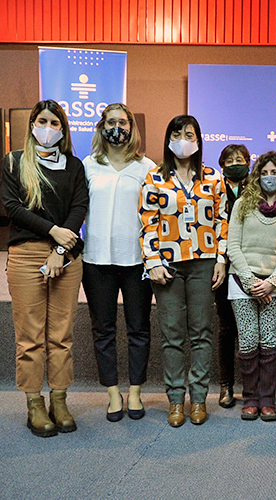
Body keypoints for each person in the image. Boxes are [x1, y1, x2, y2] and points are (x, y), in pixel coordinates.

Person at [1, 100, 88, 437]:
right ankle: (34, 403)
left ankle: (60, 399)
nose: (47, 128)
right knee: (30, 337)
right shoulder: (14, 161)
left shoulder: (74, 166)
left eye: (54, 122)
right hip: (25, 255)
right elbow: (12, 207)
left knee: (61, 336)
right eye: (42, 121)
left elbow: (79, 206)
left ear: (63, 129)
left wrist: (60, 249)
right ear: (32, 124)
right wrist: (52, 232)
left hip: (66, 257)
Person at [139, 115, 228, 427]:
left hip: (204, 263)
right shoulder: (154, 178)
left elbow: (221, 221)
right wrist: (152, 262)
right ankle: (176, 400)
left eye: (189, 134)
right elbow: (147, 222)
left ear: (199, 140)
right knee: (173, 334)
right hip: (167, 265)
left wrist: (221, 259)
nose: (183, 139)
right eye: (177, 133)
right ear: (168, 140)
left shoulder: (213, 179)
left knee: (202, 333)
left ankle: (199, 398)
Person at [82, 103, 155, 422]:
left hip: (137, 261)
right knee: (103, 329)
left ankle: (136, 391)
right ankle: (112, 392)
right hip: (96, 260)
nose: (117, 128)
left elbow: (155, 218)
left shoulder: (147, 168)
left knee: (139, 328)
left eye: (122, 122)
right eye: (110, 122)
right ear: (101, 127)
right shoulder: (87, 166)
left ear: (132, 128)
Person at [227, 151, 276, 421]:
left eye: (275, 172)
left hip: (273, 287)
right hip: (241, 282)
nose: (270, 177)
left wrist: (272, 283)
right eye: (265, 172)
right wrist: (250, 281)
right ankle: (250, 399)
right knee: (248, 342)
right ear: (258, 175)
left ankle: (268, 400)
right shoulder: (243, 203)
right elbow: (233, 246)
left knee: (268, 343)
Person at [215, 144, 251, 408]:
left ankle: (252, 386)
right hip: (221, 265)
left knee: (250, 329)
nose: (235, 163)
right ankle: (226, 386)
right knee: (226, 328)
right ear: (221, 164)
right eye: (230, 159)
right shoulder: (213, 188)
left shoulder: (259, 189)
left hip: (250, 266)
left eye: (240, 159)